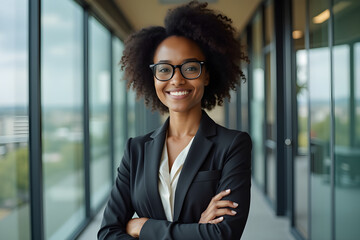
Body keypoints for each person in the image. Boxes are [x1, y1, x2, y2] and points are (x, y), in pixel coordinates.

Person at [98, 1, 252, 239]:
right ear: (153, 77)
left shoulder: (232, 145)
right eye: (164, 69)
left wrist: (142, 227)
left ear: (207, 75)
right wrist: (198, 230)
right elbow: (108, 233)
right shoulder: (135, 150)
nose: (177, 80)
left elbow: (223, 235)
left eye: (190, 68)